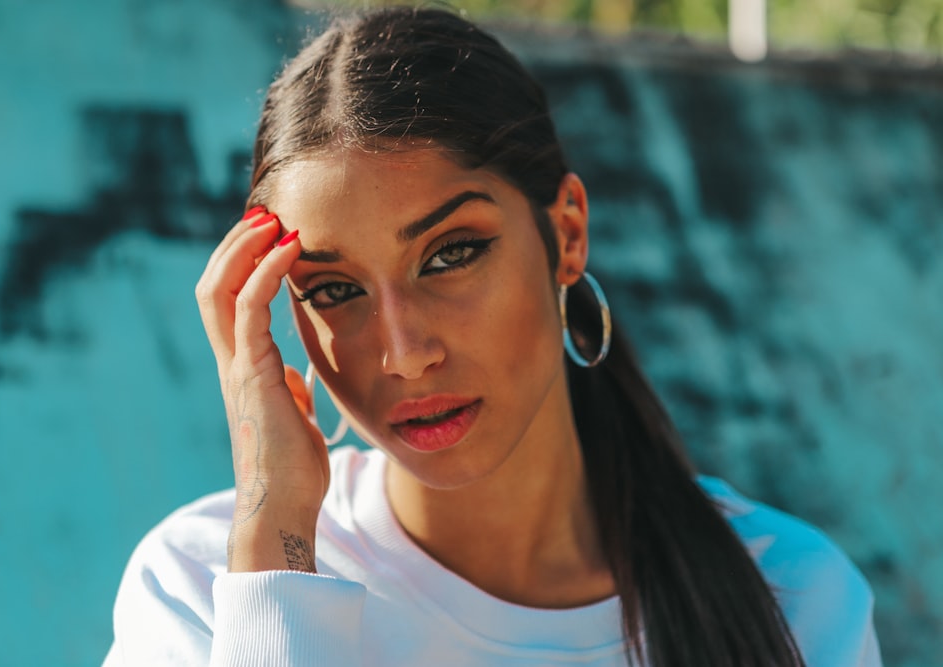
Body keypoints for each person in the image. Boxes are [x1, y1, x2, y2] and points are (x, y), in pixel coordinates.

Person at [103, 6, 881, 666]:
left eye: (450, 254)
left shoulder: (793, 597)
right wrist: (275, 554)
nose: (404, 351)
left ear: (567, 234)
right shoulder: (206, 583)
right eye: (335, 290)